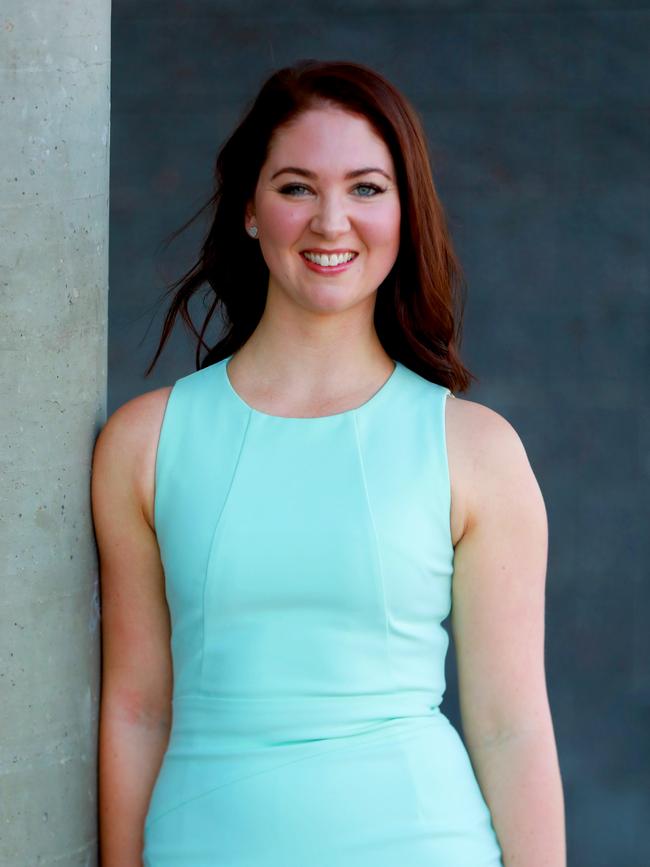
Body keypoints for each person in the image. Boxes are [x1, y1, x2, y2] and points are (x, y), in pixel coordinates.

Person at [92, 59, 566, 866]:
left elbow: (511, 726)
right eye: (297, 187)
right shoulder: (144, 443)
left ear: (406, 211)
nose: (331, 221)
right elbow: (137, 710)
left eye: (367, 188)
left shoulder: (477, 450)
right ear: (250, 208)